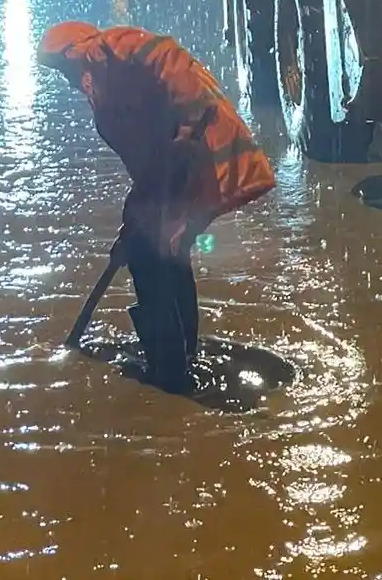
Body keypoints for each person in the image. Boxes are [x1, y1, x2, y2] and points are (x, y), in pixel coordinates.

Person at [38, 23, 276, 392]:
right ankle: (181, 361)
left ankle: (169, 374)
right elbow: (146, 163)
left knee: (150, 258)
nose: (68, 80)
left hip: (194, 162)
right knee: (166, 253)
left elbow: (170, 59)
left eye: (64, 69)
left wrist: (186, 130)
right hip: (172, 174)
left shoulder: (112, 50)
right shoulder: (106, 88)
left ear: (75, 53)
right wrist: (133, 216)